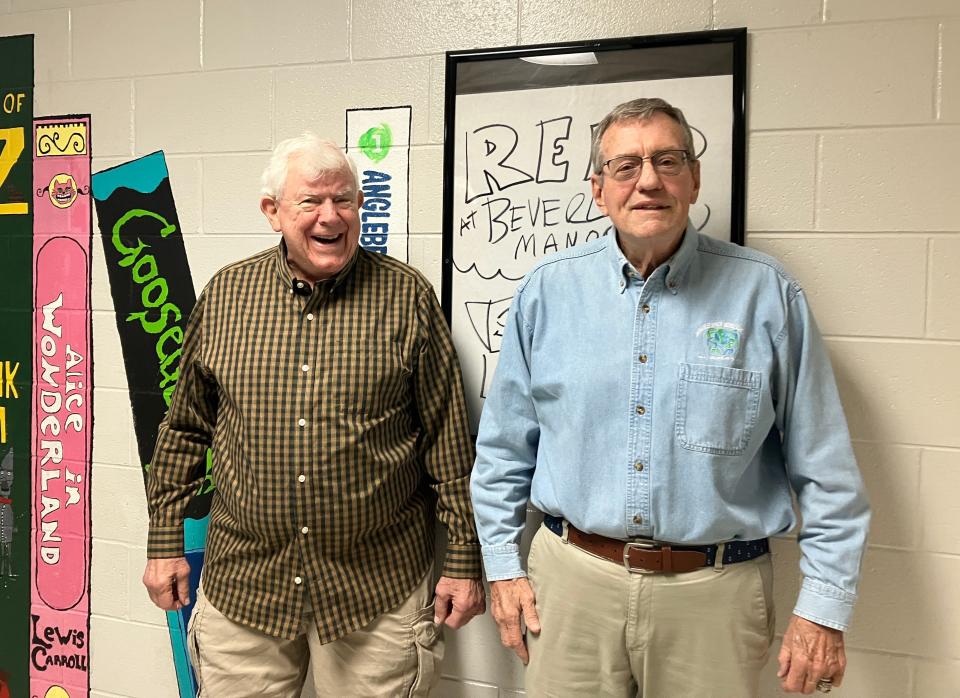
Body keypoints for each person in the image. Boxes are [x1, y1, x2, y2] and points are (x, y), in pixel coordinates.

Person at [471, 98, 870, 697]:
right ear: (598, 188)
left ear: (695, 177)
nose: (649, 181)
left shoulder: (768, 297)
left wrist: (823, 608)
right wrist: (502, 567)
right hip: (571, 586)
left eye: (667, 160)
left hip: (714, 597)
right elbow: (502, 452)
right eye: (626, 166)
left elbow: (828, 472)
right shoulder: (547, 293)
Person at [142, 133, 484, 697]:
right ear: (272, 212)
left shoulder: (407, 298)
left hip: (376, 591)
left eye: (345, 199)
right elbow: (184, 428)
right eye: (311, 202)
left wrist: (463, 560)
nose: (332, 216)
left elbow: (447, 440)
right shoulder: (227, 296)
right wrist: (164, 543)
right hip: (245, 590)